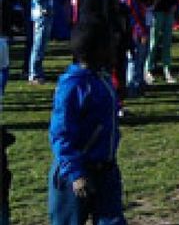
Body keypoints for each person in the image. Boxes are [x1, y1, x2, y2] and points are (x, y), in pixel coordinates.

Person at [47, 22, 126, 224]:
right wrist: (75, 173)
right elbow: (61, 133)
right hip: (76, 173)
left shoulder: (101, 78)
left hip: (105, 168)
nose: (115, 47)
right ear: (95, 51)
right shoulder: (73, 86)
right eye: (109, 44)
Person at [144, 0, 178, 85]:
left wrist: (174, 4)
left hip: (168, 9)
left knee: (167, 41)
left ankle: (166, 68)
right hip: (157, 11)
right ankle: (148, 68)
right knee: (153, 41)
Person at [29, 0, 56, 85]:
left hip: (44, 11)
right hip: (42, 13)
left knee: (41, 43)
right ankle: (34, 73)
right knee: (38, 43)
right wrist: (43, 7)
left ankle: (37, 71)